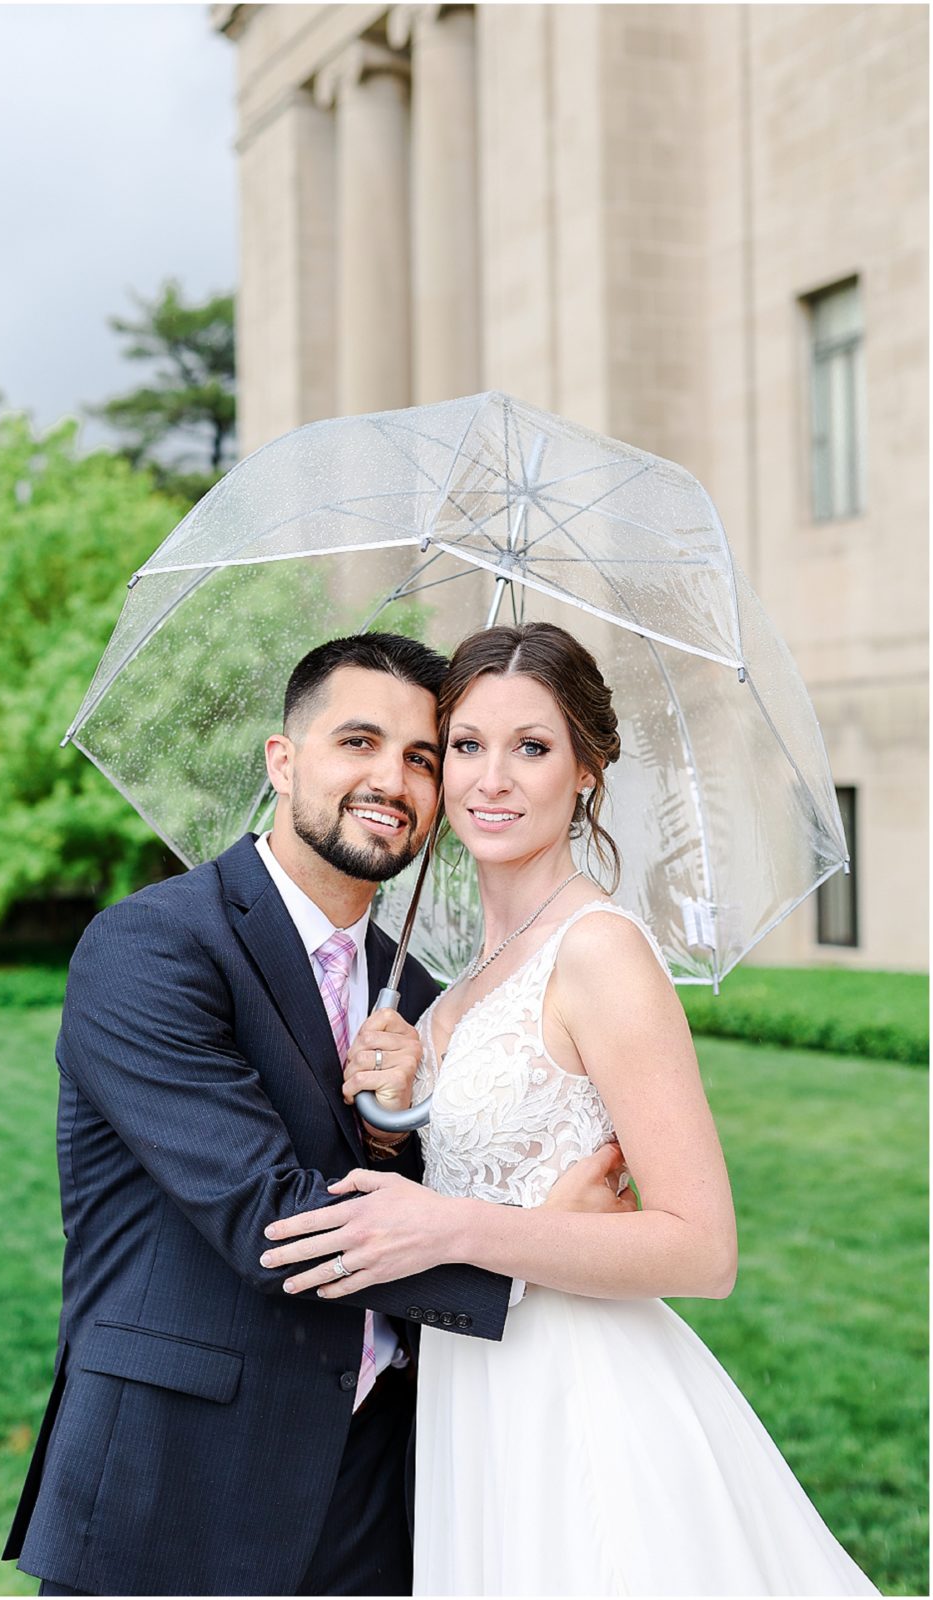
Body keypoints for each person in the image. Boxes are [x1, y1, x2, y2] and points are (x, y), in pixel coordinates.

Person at [4, 630, 633, 1598]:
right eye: (358, 742)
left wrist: (396, 1124)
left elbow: (418, 1182)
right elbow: (272, 1222)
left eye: (426, 757)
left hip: (382, 1487)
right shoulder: (153, 948)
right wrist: (533, 1251)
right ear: (282, 759)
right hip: (180, 1485)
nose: (392, 778)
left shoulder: (420, 990)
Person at [263, 621, 880, 1598]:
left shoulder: (599, 951)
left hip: (579, 1395)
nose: (490, 779)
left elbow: (701, 1246)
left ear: (586, 770)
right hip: (474, 1396)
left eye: (532, 747)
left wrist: (452, 1225)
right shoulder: (457, 981)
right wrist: (403, 1103)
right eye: (465, 745)